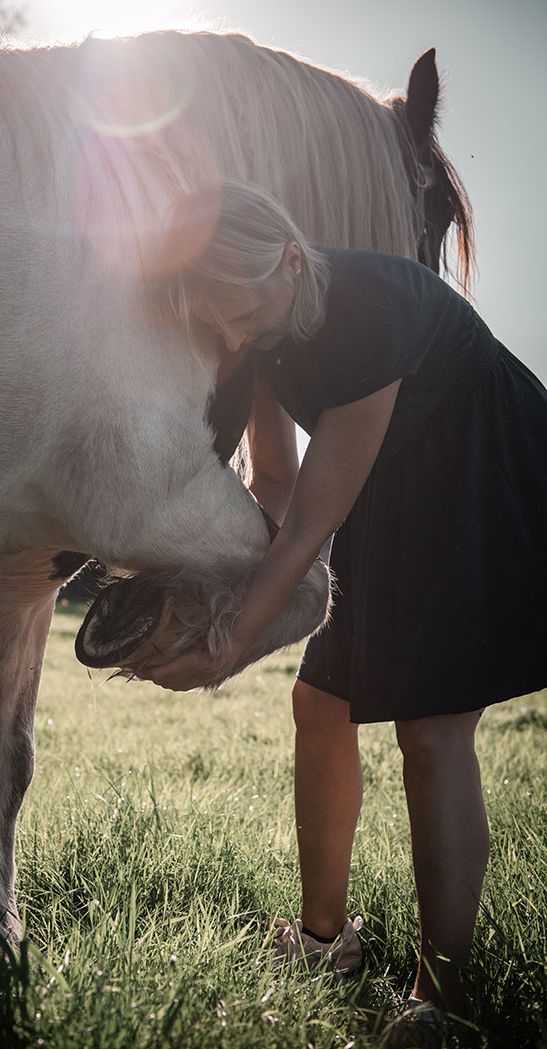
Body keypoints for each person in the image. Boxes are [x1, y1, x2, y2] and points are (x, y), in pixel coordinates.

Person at [138, 180, 547, 1021]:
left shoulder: (366, 312)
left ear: (291, 257)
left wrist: (224, 652)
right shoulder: (250, 326)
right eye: (216, 318)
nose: (232, 333)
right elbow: (281, 488)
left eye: (239, 309)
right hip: (386, 483)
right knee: (318, 703)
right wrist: (206, 596)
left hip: (480, 470)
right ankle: (326, 943)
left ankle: (443, 1003)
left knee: (431, 732)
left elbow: (304, 534)